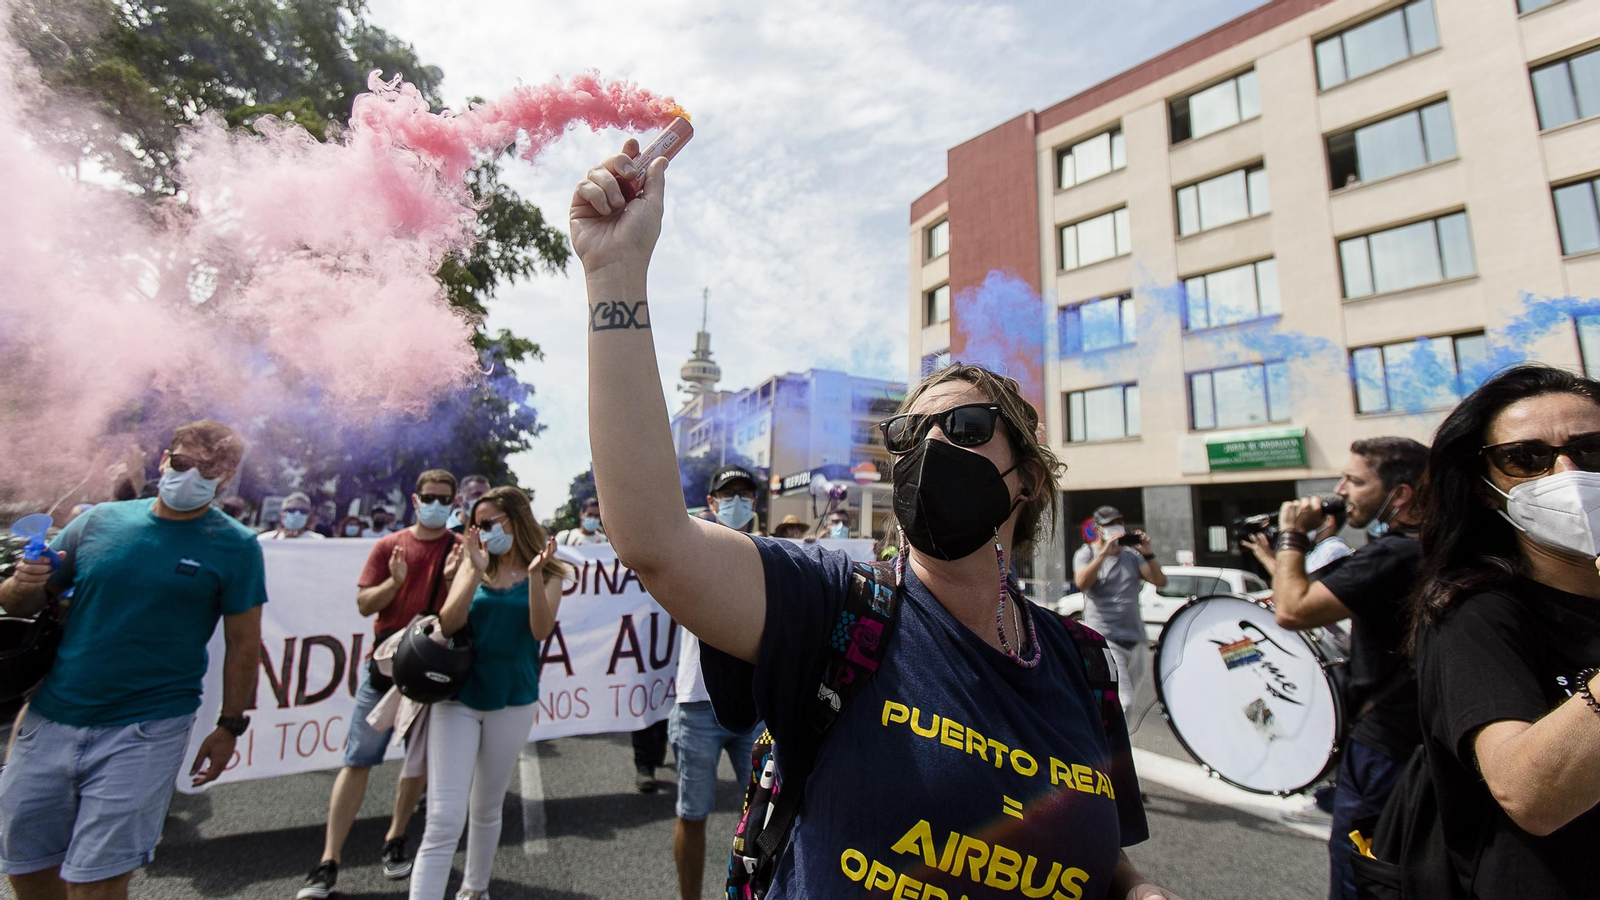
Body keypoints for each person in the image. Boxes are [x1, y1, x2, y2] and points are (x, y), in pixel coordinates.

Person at [569, 143, 1176, 898]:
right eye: (907, 434)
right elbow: (655, 541)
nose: (930, 447)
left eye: (963, 429)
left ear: (1027, 478)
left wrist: (1139, 891)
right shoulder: (835, 608)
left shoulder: (1082, 665)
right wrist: (615, 273)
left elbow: (1103, 855)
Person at [0, 420, 267, 900]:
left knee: (96, 884)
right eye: (183, 462)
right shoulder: (98, 522)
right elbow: (23, 602)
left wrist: (230, 725)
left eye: (209, 469)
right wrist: (23, 582)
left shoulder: (238, 546)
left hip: (146, 730)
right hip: (51, 718)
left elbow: (244, 643)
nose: (192, 475)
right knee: (28, 870)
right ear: (164, 460)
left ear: (226, 478)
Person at [1407, 365, 1600, 896]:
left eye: (1592, 449)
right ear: (1487, 489)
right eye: (1525, 458)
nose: (1565, 473)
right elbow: (1532, 796)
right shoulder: (1476, 615)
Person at [1270, 437, 1428, 900]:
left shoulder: (1395, 554)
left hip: (1384, 746)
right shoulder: (1437, 544)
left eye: (1354, 481)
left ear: (1400, 494)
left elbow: (1291, 609)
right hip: (1419, 737)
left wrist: (1292, 535)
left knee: (1361, 873)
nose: (1340, 490)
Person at [299, 470, 462, 900]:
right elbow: (364, 604)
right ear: (415, 499)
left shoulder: (460, 549)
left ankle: (396, 837)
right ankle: (328, 860)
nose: (436, 505)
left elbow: (462, 614)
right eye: (429, 497)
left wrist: (452, 580)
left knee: (416, 764)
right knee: (358, 759)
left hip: (428, 671)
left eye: (444, 499)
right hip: (384, 670)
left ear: (454, 502)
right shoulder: (390, 546)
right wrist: (395, 581)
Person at [411, 487, 568, 900]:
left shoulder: (550, 572)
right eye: (475, 524)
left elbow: (540, 631)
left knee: (485, 806)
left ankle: (475, 888)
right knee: (443, 818)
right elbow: (448, 624)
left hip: (513, 699)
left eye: (487, 523)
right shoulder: (471, 561)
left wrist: (533, 576)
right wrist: (471, 572)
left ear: (515, 521)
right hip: (458, 698)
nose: (480, 531)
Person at [668, 465, 767, 900]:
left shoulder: (772, 553)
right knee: (693, 814)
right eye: (728, 495)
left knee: (770, 813)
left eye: (745, 495)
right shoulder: (691, 548)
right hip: (697, 704)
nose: (737, 503)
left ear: (755, 504)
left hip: (758, 706)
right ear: (711, 502)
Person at [1072, 506, 1166, 731]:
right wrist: (1103, 554)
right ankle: (1115, 748)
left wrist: (1148, 553)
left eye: (1119, 523)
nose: (1116, 528)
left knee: (1122, 704)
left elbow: (1160, 581)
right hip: (1105, 639)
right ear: (1098, 529)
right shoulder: (1086, 553)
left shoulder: (1131, 555)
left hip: (1136, 638)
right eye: (1110, 524)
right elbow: (1082, 582)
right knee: (1124, 702)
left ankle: (1112, 741)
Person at [1244, 501, 1352, 577]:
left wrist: (1266, 557)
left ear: (1328, 520)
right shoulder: (1319, 549)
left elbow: (1295, 587)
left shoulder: (1333, 549)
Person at [260, 492, 327, 541]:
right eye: (292, 510)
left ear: (308, 516)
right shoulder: (265, 539)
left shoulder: (319, 541)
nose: (297, 514)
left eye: (303, 511)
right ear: (281, 515)